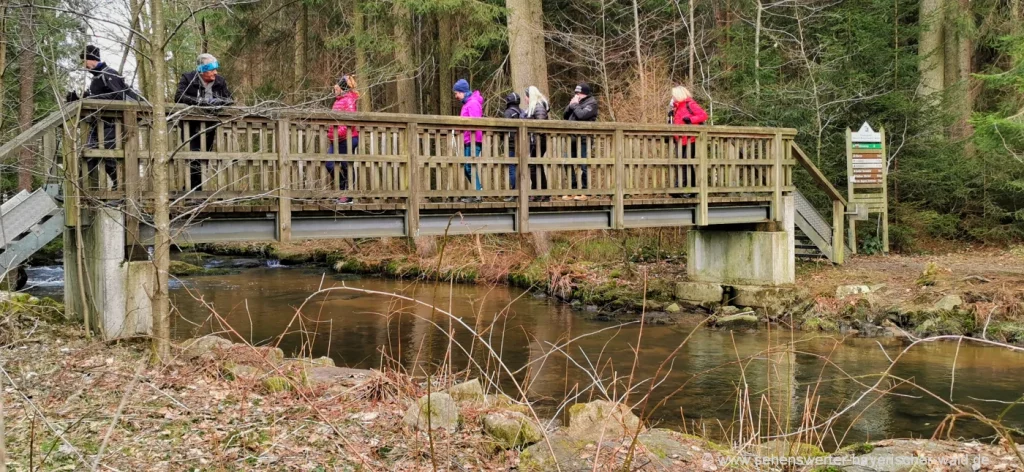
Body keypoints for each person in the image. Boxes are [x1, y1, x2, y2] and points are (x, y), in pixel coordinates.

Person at [65, 45, 139, 189]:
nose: (84, 66)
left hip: (112, 124)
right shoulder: (98, 78)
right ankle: (78, 188)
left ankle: (120, 189)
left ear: (91, 60)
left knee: (109, 156)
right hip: (98, 124)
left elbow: (119, 95)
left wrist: (92, 98)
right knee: (90, 153)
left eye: (84, 61)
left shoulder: (109, 74)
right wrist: (80, 98)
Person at [174, 53, 234, 190]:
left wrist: (220, 102)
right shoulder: (188, 78)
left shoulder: (220, 81)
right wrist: (201, 102)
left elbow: (230, 99)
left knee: (205, 156)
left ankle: (197, 189)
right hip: (190, 125)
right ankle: (191, 190)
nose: (215, 72)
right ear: (202, 70)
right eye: (212, 69)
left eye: (215, 69)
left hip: (210, 125)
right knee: (193, 156)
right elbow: (179, 96)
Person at [669, 86, 708, 195]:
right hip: (680, 139)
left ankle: (688, 188)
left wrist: (691, 119)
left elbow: (703, 115)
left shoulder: (689, 104)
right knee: (680, 162)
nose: (672, 98)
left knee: (687, 162)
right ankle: (682, 187)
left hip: (691, 138)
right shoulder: (676, 108)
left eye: (673, 95)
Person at [326, 74, 359, 204]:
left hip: (348, 138)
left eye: (336, 88)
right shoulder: (337, 101)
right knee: (329, 164)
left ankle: (348, 195)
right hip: (336, 139)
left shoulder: (349, 100)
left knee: (347, 166)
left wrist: (338, 133)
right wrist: (331, 133)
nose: (334, 91)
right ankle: (341, 190)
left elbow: (350, 120)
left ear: (342, 88)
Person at [563, 83, 598, 200]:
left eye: (579, 93)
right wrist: (570, 105)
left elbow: (582, 115)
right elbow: (565, 115)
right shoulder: (576, 103)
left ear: (586, 94)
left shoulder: (592, 103)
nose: (577, 95)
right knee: (567, 161)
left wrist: (575, 105)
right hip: (572, 137)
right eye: (576, 93)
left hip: (584, 138)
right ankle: (573, 189)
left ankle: (585, 191)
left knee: (584, 164)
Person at [454, 79, 483, 202]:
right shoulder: (467, 104)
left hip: (474, 139)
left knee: (470, 166)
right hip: (467, 140)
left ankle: (478, 193)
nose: (456, 96)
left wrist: (464, 128)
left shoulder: (473, 103)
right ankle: (477, 191)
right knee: (467, 167)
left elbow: (474, 122)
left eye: (457, 93)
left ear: (463, 92)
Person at [523, 85, 550, 201]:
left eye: (526, 96)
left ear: (530, 96)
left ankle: (540, 192)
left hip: (539, 140)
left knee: (534, 166)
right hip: (537, 141)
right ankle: (540, 192)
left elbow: (540, 123)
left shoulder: (538, 107)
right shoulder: (535, 107)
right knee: (536, 165)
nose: (525, 99)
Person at [502, 92, 523, 198]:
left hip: (511, 144)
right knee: (520, 168)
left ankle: (515, 192)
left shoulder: (508, 113)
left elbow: (504, 128)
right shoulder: (522, 112)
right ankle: (520, 191)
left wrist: (502, 137)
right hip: (522, 143)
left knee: (512, 168)